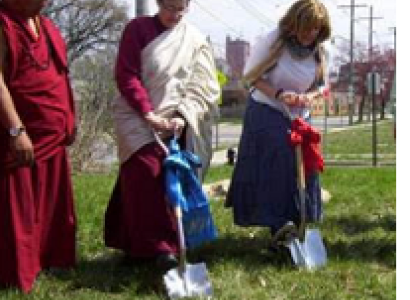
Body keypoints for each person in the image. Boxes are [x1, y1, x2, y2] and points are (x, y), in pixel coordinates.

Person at [104, 0, 220, 269]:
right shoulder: (137, 29)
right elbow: (126, 75)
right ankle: (160, 250)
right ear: (158, 3)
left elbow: (202, 85)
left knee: (169, 179)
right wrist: (149, 114)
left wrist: (181, 117)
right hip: (136, 115)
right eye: (169, 7)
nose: (175, 15)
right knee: (145, 171)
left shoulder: (194, 39)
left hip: (177, 119)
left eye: (181, 8)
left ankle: (148, 245)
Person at [226, 0, 331, 250]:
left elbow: (323, 85)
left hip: (300, 112)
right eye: (304, 28)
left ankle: (301, 219)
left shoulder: (321, 49)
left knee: (306, 163)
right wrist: (279, 93)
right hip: (267, 108)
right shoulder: (273, 41)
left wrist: (309, 97)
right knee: (280, 157)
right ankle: (279, 223)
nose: (308, 35)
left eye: (314, 29)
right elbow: (251, 77)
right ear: (293, 24)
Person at [0, 0, 77, 293]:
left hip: (52, 134)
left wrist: (69, 116)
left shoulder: (46, 25)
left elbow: (60, 74)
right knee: (18, 207)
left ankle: (51, 260)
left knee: (51, 205)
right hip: (19, 135)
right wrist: (15, 128)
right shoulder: (4, 22)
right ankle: (17, 272)